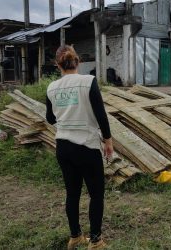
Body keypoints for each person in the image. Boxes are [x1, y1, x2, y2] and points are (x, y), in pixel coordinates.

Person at [46, 45, 112, 250]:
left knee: (72, 193)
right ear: (78, 62)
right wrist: (108, 141)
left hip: (63, 147)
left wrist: (66, 114)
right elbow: (101, 114)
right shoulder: (88, 82)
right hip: (86, 146)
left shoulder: (52, 88)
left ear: (58, 65)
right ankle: (96, 240)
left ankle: (75, 236)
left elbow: (50, 118)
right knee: (96, 194)